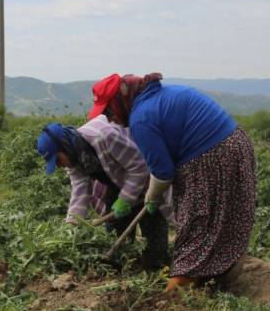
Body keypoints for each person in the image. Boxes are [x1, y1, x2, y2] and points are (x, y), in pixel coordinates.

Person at [89, 72, 256, 292]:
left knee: (196, 220)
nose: (110, 119)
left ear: (120, 101)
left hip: (212, 156)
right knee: (224, 215)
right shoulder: (160, 96)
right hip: (236, 145)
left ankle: (180, 287)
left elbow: (162, 172)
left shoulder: (141, 118)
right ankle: (222, 271)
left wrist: (152, 196)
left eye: (109, 111)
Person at [36, 120, 171, 270]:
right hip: (116, 181)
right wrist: (72, 224)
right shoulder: (74, 156)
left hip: (147, 177)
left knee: (152, 232)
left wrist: (126, 199)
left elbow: (139, 167)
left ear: (65, 146)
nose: (60, 166)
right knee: (114, 232)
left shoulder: (104, 137)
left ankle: (157, 265)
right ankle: (126, 263)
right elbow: (80, 187)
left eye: (58, 160)